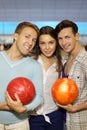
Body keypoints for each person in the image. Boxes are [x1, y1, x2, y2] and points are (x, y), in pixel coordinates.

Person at [0, 21, 43, 130]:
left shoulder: (35, 66)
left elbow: (39, 97)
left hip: (19, 124)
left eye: (34, 40)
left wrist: (23, 108)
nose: (30, 42)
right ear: (16, 36)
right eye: (27, 37)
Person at [29, 26, 65, 130]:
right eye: (43, 43)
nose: (47, 47)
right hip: (33, 116)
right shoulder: (32, 61)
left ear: (56, 43)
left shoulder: (61, 63)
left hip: (55, 115)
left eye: (51, 42)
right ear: (38, 45)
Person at [55, 19, 87, 130]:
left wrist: (76, 108)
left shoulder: (85, 61)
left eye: (67, 37)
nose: (63, 42)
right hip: (63, 120)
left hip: (80, 122)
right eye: (60, 38)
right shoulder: (64, 60)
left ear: (77, 36)